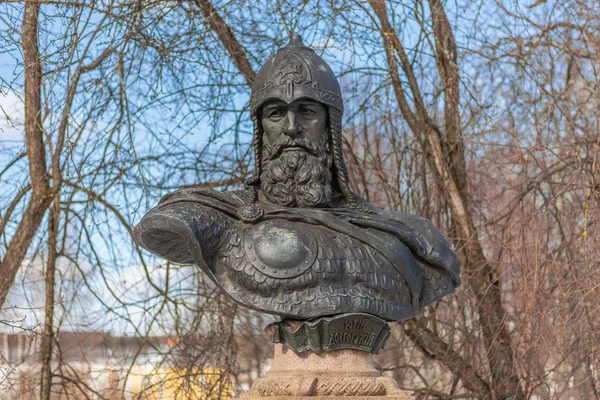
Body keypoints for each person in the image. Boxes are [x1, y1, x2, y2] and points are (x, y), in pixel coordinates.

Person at [133, 35, 460, 321]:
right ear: (261, 128)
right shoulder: (211, 216)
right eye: (276, 112)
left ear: (329, 126)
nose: (292, 127)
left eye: (306, 111)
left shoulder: (414, 238)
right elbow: (157, 227)